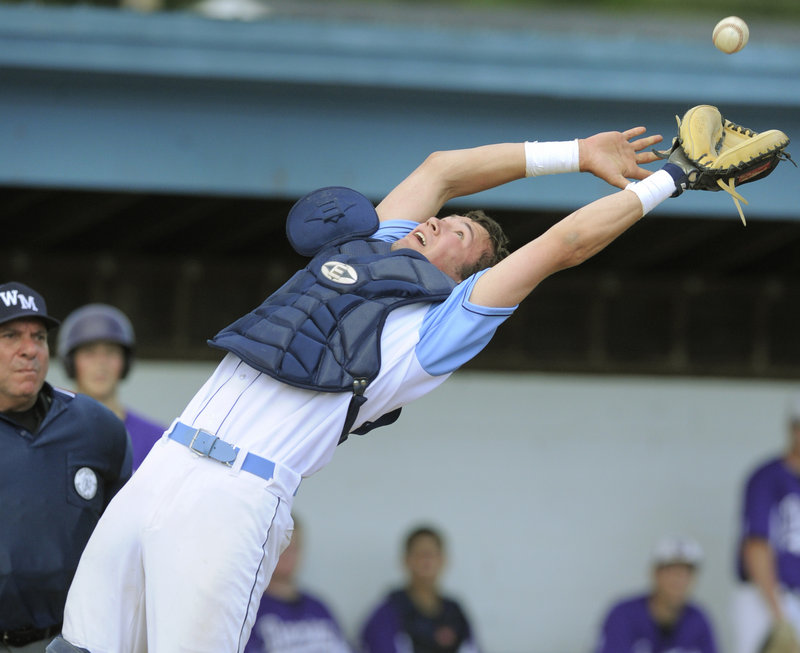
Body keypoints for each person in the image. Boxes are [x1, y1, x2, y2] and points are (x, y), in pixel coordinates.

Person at [50, 123, 717, 653]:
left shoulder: (440, 325)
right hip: (164, 467)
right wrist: (576, 152)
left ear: (466, 274)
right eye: (446, 218)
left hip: (234, 498)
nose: (437, 220)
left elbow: (564, 243)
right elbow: (441, 170)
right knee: (75, 646)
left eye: (457, 233)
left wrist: (671, 178)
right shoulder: (373, 249)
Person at [0, 281, 132, 653]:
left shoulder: (97, 428)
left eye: (38, 337)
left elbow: (128, 543)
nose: (29, 350)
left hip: (72, 642)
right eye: (11, 335)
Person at [57, 303, 165, 471]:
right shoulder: (51, 433)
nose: (101, 363)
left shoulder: (157, 440)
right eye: (89, 352)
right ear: (70, 363)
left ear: (125, 363)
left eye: (110, 352)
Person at [731, 395, 800, 653]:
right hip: (766, 596)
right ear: (793, 429)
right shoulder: (768, 477)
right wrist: (780, 617)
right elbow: (756, 546)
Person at [360, 525, 480, 653]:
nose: (426, 561)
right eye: (420, 554)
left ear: (443, 560)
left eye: (431, 554)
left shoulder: (455, 612)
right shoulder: (389, 612)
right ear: (406, 560)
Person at [592, 536, 719, 653]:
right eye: (670, 571)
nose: (678, 580)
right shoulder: (623, 615)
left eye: (686, 573)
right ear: (654, 573)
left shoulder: (698, 619)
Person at [244, 516, 352, 653]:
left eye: (294, 547)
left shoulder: (318, 607)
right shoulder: (250, 610)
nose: (288, 554)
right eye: (282, 547)